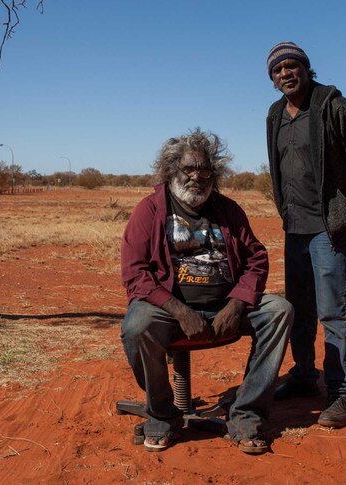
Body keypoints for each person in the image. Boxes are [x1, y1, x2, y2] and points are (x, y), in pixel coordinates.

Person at [120, 129, 293, 454]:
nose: (197, 176)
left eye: (205, 170)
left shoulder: (228, 210)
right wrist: (179, 310)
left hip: (225, 308)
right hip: (170, 310)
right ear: (171, 171)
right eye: (188, 169)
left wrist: (238, 303)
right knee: (136, 325)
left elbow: (256, 257)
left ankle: (246, 415)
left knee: (279, 310)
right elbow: (135, 273)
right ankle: (162, 415)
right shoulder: (150, 210)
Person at [265, 42, 346, 428]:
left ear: (307, 69)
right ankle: (302, 375)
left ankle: (342, 391)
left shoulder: (334, 107)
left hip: (326, 229)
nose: (285, 74)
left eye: (292, 67)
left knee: (332, 310)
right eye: (278, 71)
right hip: (294, 228)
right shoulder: (275, 114)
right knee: (299, 310)